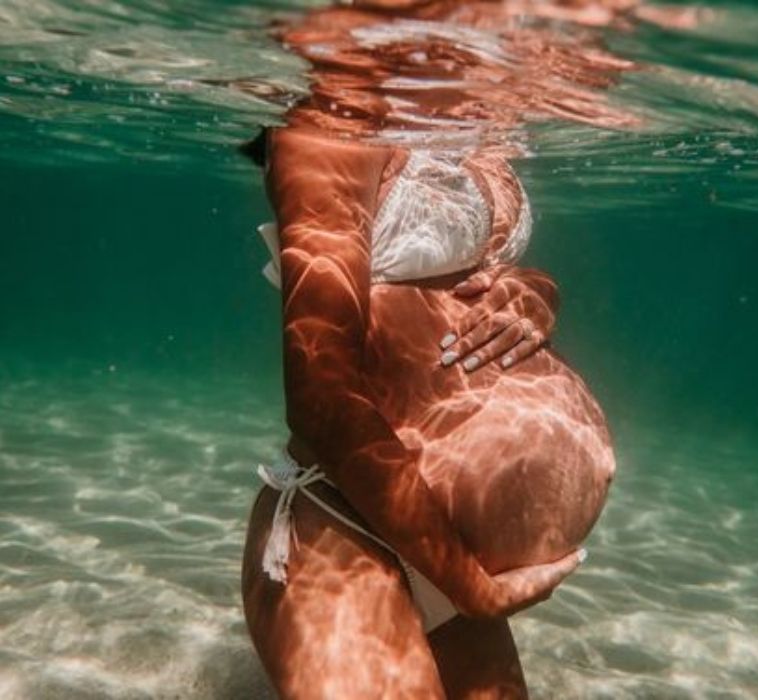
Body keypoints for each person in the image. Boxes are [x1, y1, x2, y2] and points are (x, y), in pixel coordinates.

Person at [240, 0, 630, 696]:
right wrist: (467, 586)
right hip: (350, 524)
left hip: (448, 543)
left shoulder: (477, 125)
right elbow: (322, 400)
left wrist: (537, 291)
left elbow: (467, 280)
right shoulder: (329, 134)